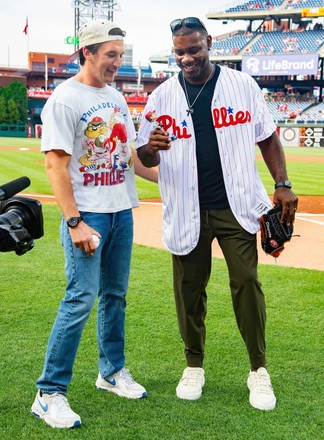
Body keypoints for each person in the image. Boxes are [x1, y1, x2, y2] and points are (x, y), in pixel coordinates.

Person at [136, 17, 298, 411]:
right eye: (179, 52)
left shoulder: (242, 86)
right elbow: (142, 153)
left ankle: (258, 370)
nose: (187, 58)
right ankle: (194, 364)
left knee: (247, 282)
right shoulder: (161, 97)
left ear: (209, 43)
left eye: (194, 49)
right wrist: (152, 148)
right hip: (186, 205)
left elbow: (268, 136)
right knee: (189, 290)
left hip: (236, 204)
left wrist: (283, 182)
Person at [31, 19, 158, 429]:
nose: (116, 64)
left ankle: (111, 372)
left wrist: (176, 182)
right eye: (110, 56)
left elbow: (132, 156)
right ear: (87, 52)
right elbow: (55, 164)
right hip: (88, 214)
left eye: (121, 56)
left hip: (121, 210)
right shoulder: (65, 99)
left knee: (115, 295)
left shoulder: (117, 98)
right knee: (80, 298)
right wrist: (75, 222)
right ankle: (49, 393)